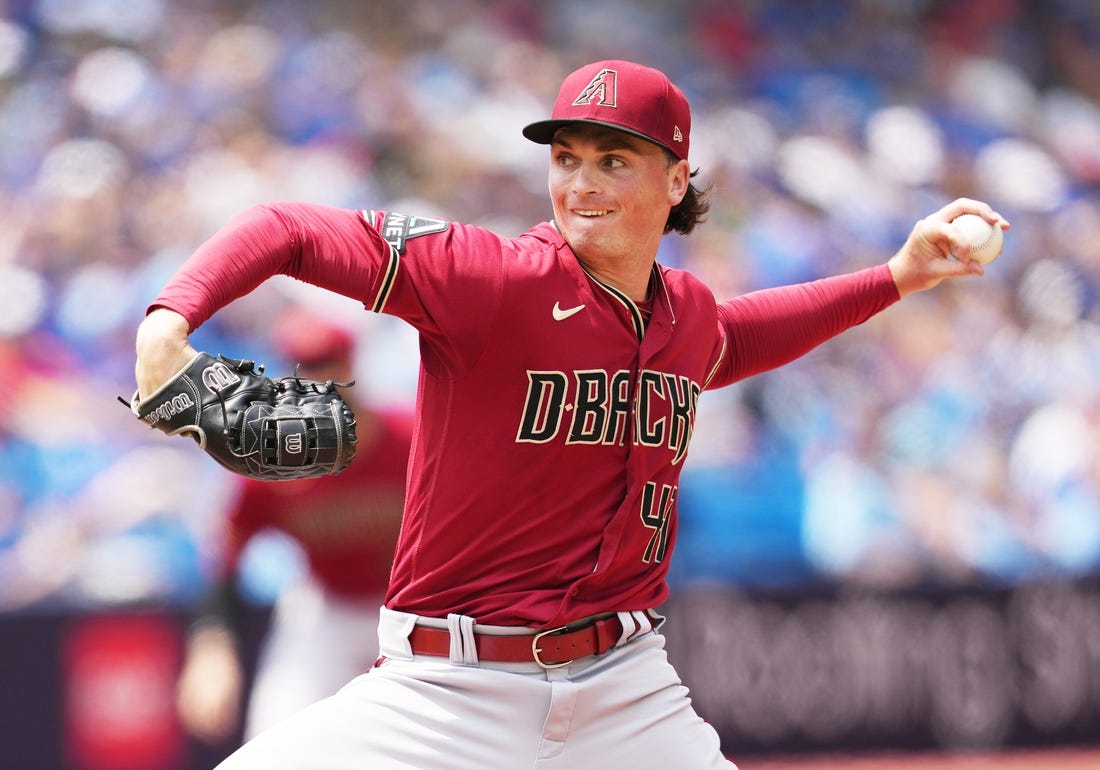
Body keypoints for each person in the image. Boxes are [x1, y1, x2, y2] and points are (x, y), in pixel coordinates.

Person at [131, 60, 1008, 769]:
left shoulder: (687, 318)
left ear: (676, 179)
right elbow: (288, 225)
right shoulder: (489, 279)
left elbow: (743, 335)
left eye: (612, 160)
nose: (580, 183)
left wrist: (897, 277)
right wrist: (171, 318)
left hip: (628, 692)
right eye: (566, 158)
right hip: (445, 691)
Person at [174, 307, 412, 747]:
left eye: (325, 364)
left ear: (352, 367)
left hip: (415, 609)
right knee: (274, 739)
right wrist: (211, 645)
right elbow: (226, 556)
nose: (315, 380)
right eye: (302, 368)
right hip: (329, 607)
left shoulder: (413, 438)